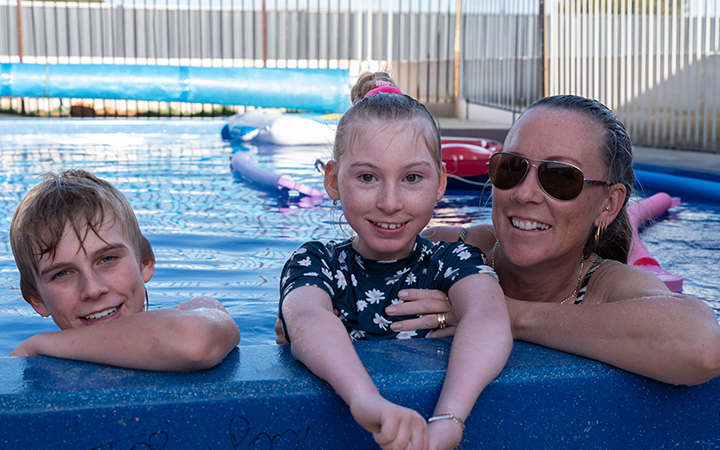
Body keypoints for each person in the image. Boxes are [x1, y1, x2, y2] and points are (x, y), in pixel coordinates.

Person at [383, 94, 720, 386]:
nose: (525, 193)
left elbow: (703, 345)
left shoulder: (610, 289)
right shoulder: (448, 249)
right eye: (511, 167)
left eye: (560, 177)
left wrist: (502, 315)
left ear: (609, 205)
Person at [277, 72, 512, 450]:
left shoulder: (454, 260)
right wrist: (365, 399)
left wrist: (450, 418)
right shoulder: (315, 263)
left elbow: (487, 316)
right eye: (368, 177)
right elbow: (308, 318)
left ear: (439, 183)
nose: (390, 202)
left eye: (412, 177)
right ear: (333, 181)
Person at [9, 169, 240, 371]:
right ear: (36, 299)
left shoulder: (195, 310)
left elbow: (196, 341)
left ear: (145, 263)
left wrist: (39, 344)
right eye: (62, 274)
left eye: (107, 259)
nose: (92, 289)